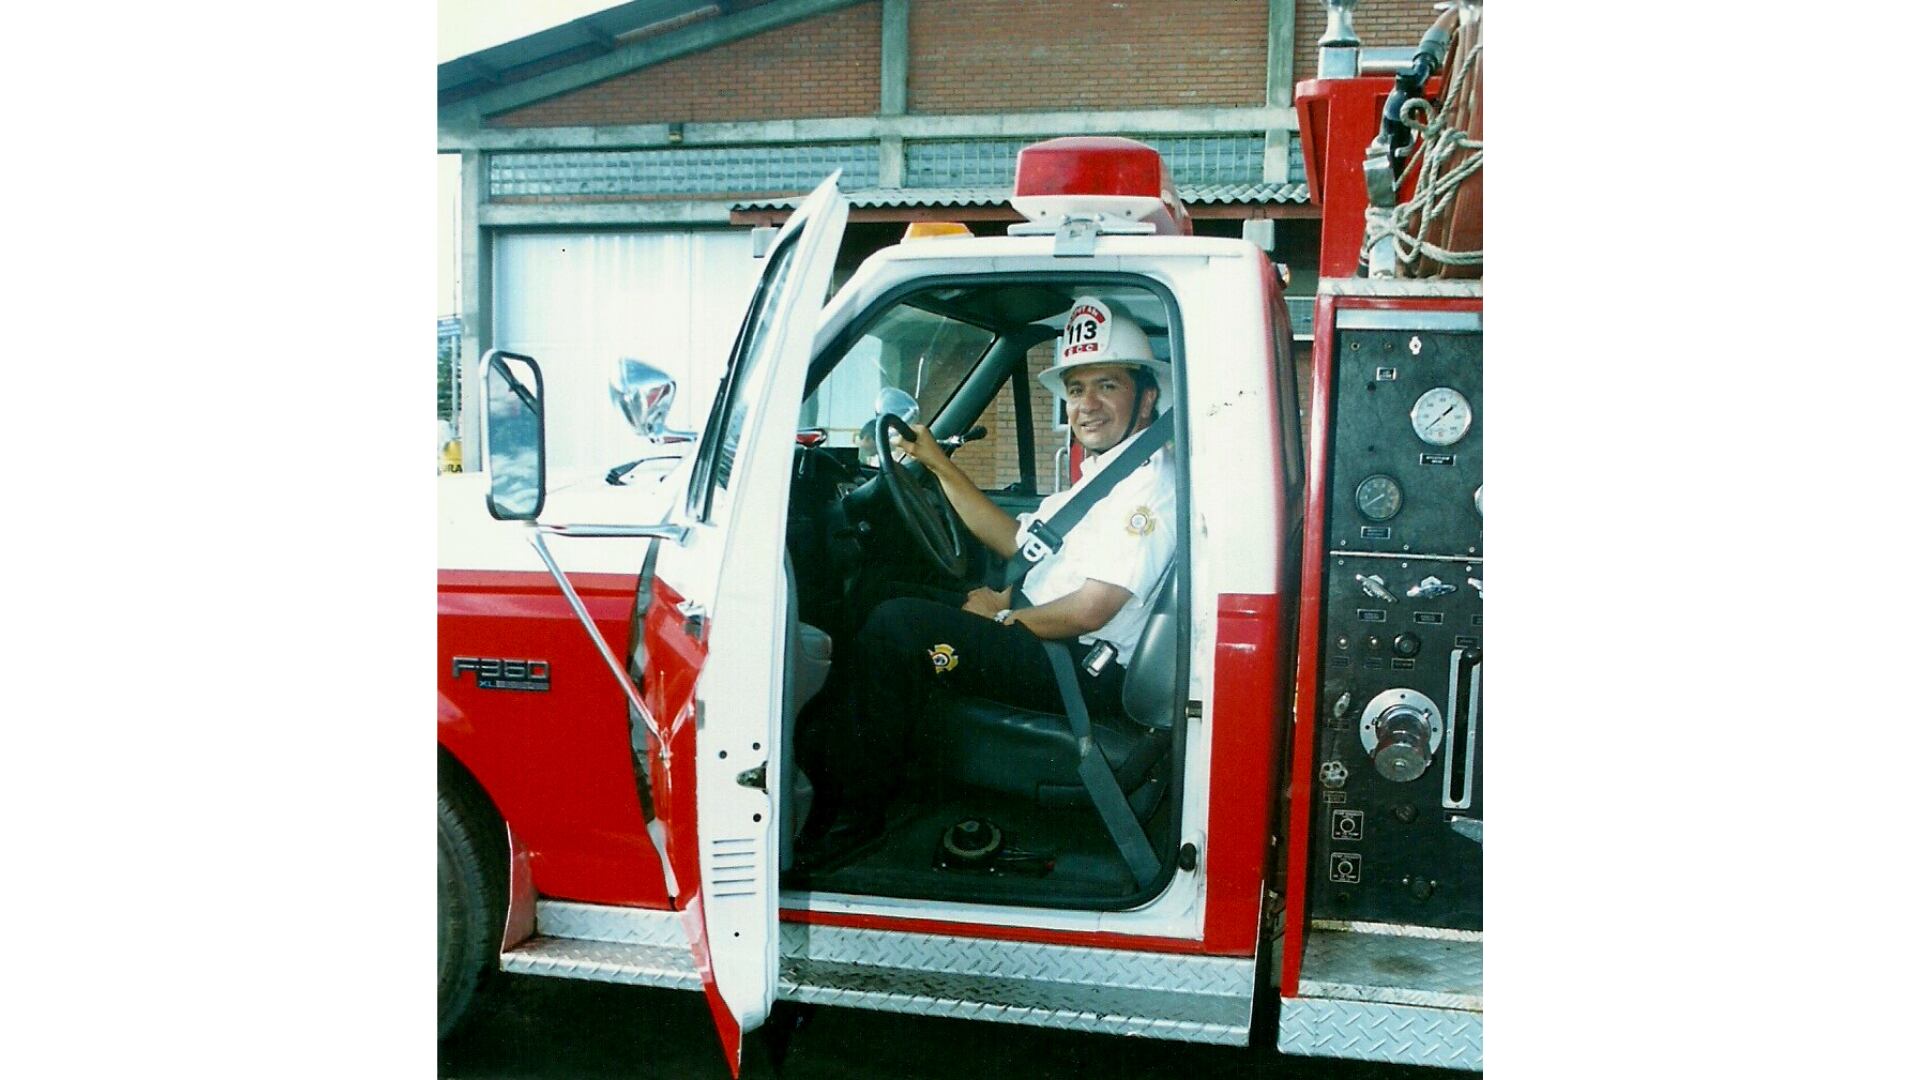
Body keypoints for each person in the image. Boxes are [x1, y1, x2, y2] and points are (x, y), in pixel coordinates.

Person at [796, 296, 1177, 868]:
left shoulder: (1151, 487)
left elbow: (1091, 609)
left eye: (1108, 386)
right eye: (1076, 390)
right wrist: (942, 465)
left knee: (899, 627)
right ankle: (828, 760)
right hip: (1043, 630)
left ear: (1146, 397)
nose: (1087, 405)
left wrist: (1004, 618)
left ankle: (852, 818)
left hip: (1073, 662)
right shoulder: (1106, 473)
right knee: (880, 592)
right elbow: (1016, 541)